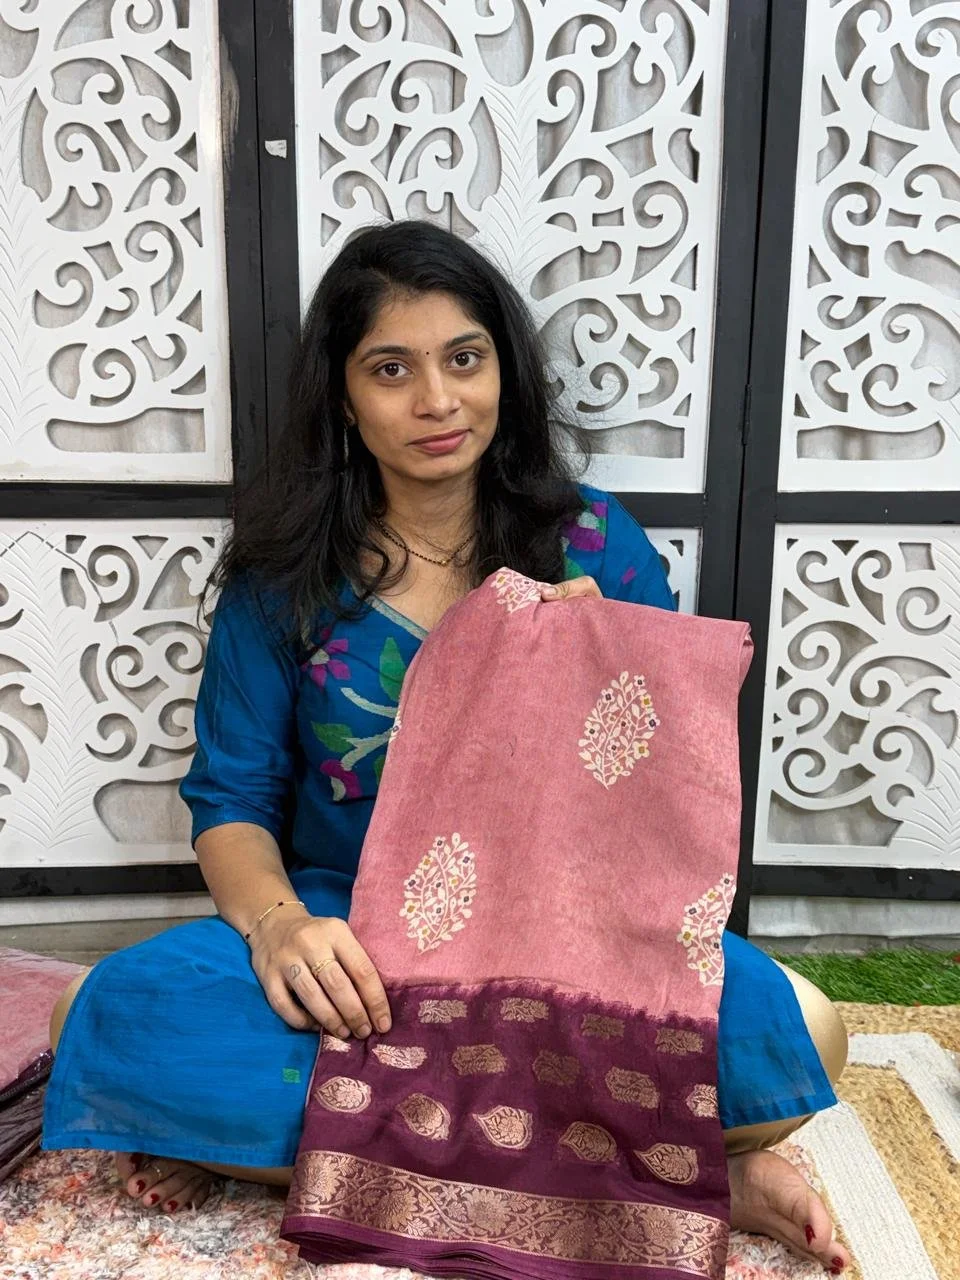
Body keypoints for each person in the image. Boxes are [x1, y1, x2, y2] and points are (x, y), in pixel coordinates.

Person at [44, 220, 849, 1274]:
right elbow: (232, 798)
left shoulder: (597, 544)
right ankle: (679, 1171)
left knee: (810, 1026)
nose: (437, 400)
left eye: (464, 359)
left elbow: (659, 817)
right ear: (343, 393)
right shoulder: (283, 580)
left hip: (568, 944)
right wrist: (282, 928)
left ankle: (281, 1156)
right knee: (93, 1014)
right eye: (392, 369)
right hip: (358, 944)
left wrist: (598, 667)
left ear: (502, 370)